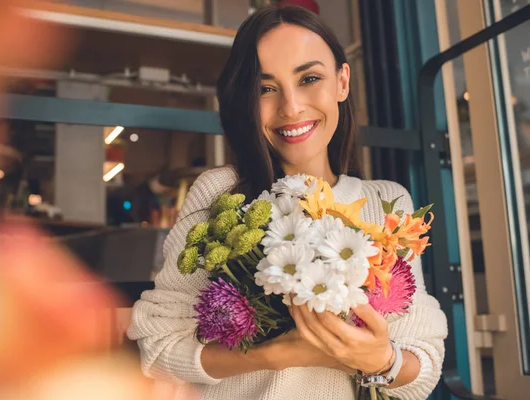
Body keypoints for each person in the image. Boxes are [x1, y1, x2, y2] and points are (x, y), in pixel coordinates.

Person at [129, 5, 447, 400]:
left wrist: (381, 360)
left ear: (342, 82)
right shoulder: (221, 193)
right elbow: (158, 346)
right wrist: (275, 355)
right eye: (265, 88)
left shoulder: (385, 202)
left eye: (310, 78)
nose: (291, 107)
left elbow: (424, 364)